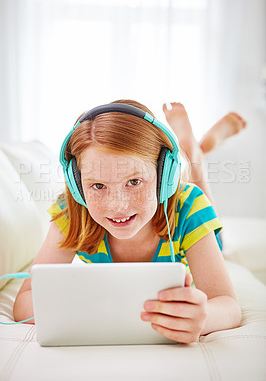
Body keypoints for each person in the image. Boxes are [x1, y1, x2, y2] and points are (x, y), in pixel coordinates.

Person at [13, 99, 246, 343]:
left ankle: (193, 152)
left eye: (134, 182)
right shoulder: (73, 215)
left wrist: (204, 317)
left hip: (192, 222)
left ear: (163, 176)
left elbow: (229, 306)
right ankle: (192, 152)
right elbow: (25, 300)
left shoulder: (188, 209)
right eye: (98, 185)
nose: (117, 206)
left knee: (204, 201)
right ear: (77, 186)